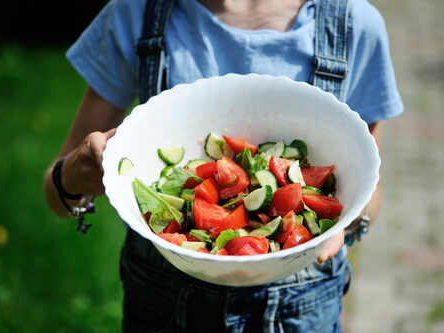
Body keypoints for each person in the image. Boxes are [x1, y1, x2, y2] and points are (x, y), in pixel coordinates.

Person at [43, 0, 403, 331]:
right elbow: (55, 198)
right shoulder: (137, 12)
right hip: (163, 308)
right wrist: (74, 175)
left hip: (301, 311)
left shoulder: (353, 25)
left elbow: (368, 188)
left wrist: (345, 221)